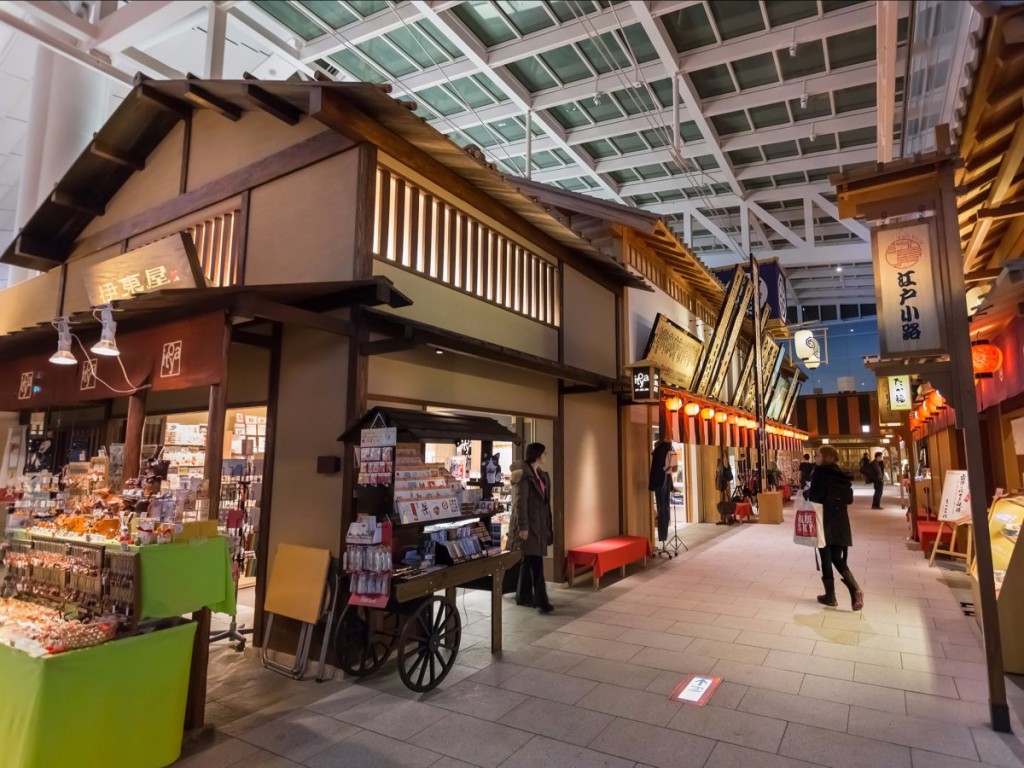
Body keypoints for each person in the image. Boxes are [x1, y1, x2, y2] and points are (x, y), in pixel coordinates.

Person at [806, 445, 864, 611]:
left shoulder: (819, 473)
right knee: (837, 558)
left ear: (826, 457)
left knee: (825, 557)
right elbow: (849, 499)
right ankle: (855, 589)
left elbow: (815, 497)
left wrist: (808, 493)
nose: (815, 457)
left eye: (817, 455)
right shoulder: (842, 475)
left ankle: (830, 596)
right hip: (841, 522)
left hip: (824, 520)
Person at [516, 442, 554, 613]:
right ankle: (542, 601)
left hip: (540, 525)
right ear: (538, 455)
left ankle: (522, 595)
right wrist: (523, 526)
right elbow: (520, 504)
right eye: (544, 453)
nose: (546, 456)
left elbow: (545, 503)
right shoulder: (524, 476)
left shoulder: (541, 475)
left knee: (529, 561)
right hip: (530, 527)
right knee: (536, 564)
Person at [504, 459, 533, 606]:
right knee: (521, 560)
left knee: (518, 558)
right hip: (520, 529)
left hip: (517, 528)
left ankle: (512, 588)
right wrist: (523, 527)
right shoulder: (524, 484)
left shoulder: (519, 484)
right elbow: (521, 508)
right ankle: (521, 592)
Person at [648, 440, 676, 543]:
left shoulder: (659, 450)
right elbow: (670, 469)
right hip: (665, 480)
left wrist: (652, 484)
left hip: (659, 481)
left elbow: (655, 469)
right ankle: (663, 536)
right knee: (665, 509)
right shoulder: (668, 450)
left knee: (661, 509)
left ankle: (662, 537)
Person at [714, 457, 735, 524]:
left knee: (725, 500)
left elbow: (719, 482)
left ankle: (726, 518)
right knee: (725, 500)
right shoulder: (719, 471)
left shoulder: (719, 471)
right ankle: (726, 518)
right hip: (723, 487)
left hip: (722, 487)